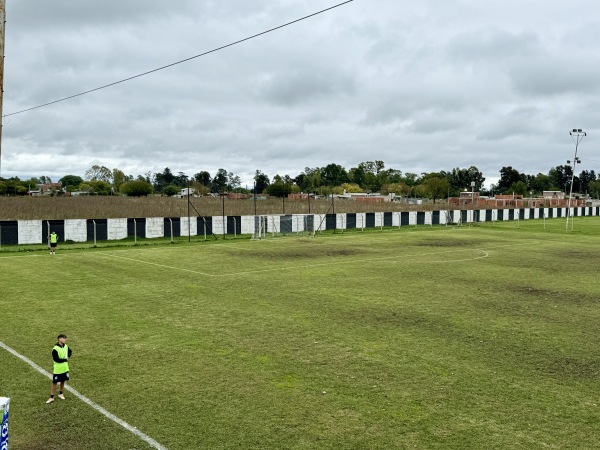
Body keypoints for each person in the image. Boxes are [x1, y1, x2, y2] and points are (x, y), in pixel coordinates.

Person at [46, 334, 73, 404]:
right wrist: (65, 360)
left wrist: (68, 357)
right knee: (54, 382)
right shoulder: (55, 349)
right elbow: (56, 359)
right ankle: (51, 397)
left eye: (65, 338)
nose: (65, 339)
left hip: (65, 368)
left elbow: (70, 351)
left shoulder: (66, 346)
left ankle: (61, 393)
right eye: (63, 338)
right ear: (59, 339)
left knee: (63, 381)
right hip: (58, 369)